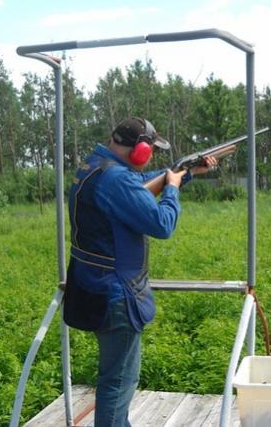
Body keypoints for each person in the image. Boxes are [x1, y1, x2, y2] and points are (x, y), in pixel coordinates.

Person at [63, 117, 216, 427]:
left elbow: (138, 186)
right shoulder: (116, 179)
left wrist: (184, 174)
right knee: (118, 383)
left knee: (115, 380)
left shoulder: (95, 166)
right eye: (151, 150)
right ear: (141, 149)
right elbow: (162, 224)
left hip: (93, 286)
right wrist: (172, 190)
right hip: (117, 293)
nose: (153, 156)